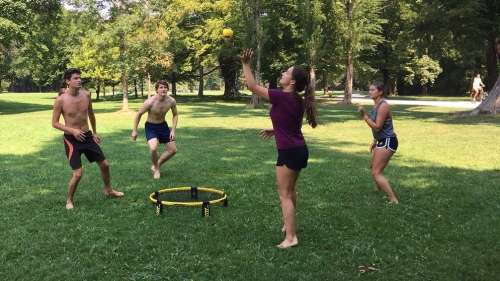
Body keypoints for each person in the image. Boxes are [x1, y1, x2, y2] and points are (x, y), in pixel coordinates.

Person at [240, 49, 318, 249]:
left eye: (286, 72)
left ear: (292, 82)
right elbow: (291, 124)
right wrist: (276, 130)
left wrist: (246, 64)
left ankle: (291, 237)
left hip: (290, 151)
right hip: (298, 149)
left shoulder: (283, 96)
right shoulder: (297, 100)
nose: (283, 73)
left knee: (284, 194)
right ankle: (288, 225)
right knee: (291, 191)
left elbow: (251, 86)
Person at [52, 68, 124, 209]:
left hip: (88, 136)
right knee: (78, 174)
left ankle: (108, 190)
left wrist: (95, 132)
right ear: (68, 81)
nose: (79, 80)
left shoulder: (86, 95)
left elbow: (91, 114)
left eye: (80, 77)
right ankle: (69, 200)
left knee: (105, 165)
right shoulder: (60, 100)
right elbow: (54, 123)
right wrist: (72, 130)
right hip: (71, 140)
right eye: (75, 78)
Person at [358, 82, 399, 204]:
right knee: (373, 167)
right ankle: (380, 189)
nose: (370, 92)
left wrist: (364, 116)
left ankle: (393, 199)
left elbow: (377, 127)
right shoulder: (376, 105)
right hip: (381, 140)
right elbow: (379, 129)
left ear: (380, 92)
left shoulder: (383, 106)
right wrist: (375, 141)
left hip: (388, 141)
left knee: (376, 172)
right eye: (369, 90)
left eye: (373, 90)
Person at [131, 80, 178, 179]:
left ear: (167, 89)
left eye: (165, 87)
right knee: (153, 148)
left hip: (163, 126)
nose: (163, 89)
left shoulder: (171, 101)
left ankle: (157, 165)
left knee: (173, 150)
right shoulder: (150, 102)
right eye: (161, 87)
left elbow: (175, 115)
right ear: (157, 90)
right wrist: (134, 130)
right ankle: (157, 169)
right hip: (151, 126)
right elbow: (138, 114)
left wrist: (173, 130)